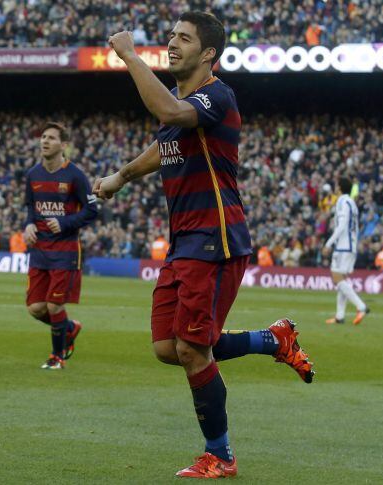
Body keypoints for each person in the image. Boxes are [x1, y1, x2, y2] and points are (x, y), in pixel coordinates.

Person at [92, 12, 314, 479]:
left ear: (207, 52)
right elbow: (163, 145)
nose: (172, 43)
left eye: (184, 38)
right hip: (184, 242)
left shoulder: (216, 95)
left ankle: (221, 455)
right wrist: (121, 177)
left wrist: (130, 55)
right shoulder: (181, 110)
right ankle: (273, 339)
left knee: (194, 349)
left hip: (214, 238)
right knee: (167, 347)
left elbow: (170, 115)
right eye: (171, 35)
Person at [23, 122, 98, 370]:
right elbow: (30, 209)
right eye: (43, 136)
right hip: (40, 250)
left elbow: (91, 210)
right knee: (35, 308)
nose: (45, 141)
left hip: (65, 251)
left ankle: (57, 357)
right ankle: (69, 327)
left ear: (63, 145)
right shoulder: (33, 175)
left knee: (55, 305)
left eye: (51, 138)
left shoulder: (75, 175)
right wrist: (28, 226)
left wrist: (65, 222)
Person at [323, 177, 369, 325]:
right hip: (351, 244)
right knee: (341, 279)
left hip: (343, 245)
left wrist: (329, 243)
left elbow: (342, 225)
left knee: (337, 278)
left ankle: (361, 306)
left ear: (339, 188)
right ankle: (340, 316)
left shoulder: (342, 201)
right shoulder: (352, 203)